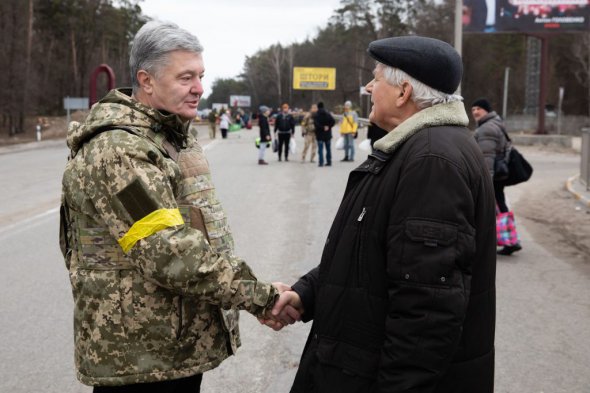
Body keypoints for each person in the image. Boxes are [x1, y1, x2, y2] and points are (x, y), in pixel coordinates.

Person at [59, 21, 292, 392]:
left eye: (200, 76)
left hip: (165, 347)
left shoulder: (166, 136)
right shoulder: (120, 153)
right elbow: (168, 249)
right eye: (186, 77)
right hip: (137, 357)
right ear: (146, 80)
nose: (199, 88)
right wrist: (260, 296)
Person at [264, 36, 497, 393]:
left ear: (403, 92)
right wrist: (305, 294)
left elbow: (427, 310)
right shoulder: (420, 148)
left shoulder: (432, 161)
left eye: (376, 79)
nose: (369, 88)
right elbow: (365, 256)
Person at [472, 97, 522, 255]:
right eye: (473, 110)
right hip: (497, 176)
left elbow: (487, 158)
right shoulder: (494, 124)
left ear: (486, 110)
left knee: (494, 207)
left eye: (478, 108)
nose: (475, 112)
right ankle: (509, 240)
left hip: (492, 176)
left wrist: (486, 181)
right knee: (499, 206)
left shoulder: (487, 129)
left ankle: (508, 241)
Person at [314, 101, 335, 167]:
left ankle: (321, 162)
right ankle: (329, 162)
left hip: (320, 134)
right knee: (328, 149)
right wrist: (328, 127)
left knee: (320, 149)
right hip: (327, 134)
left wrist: (322, 127)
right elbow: (333, 121)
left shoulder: (317, 114)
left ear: (318, 107)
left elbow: (316, 124)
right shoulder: (328, 113)